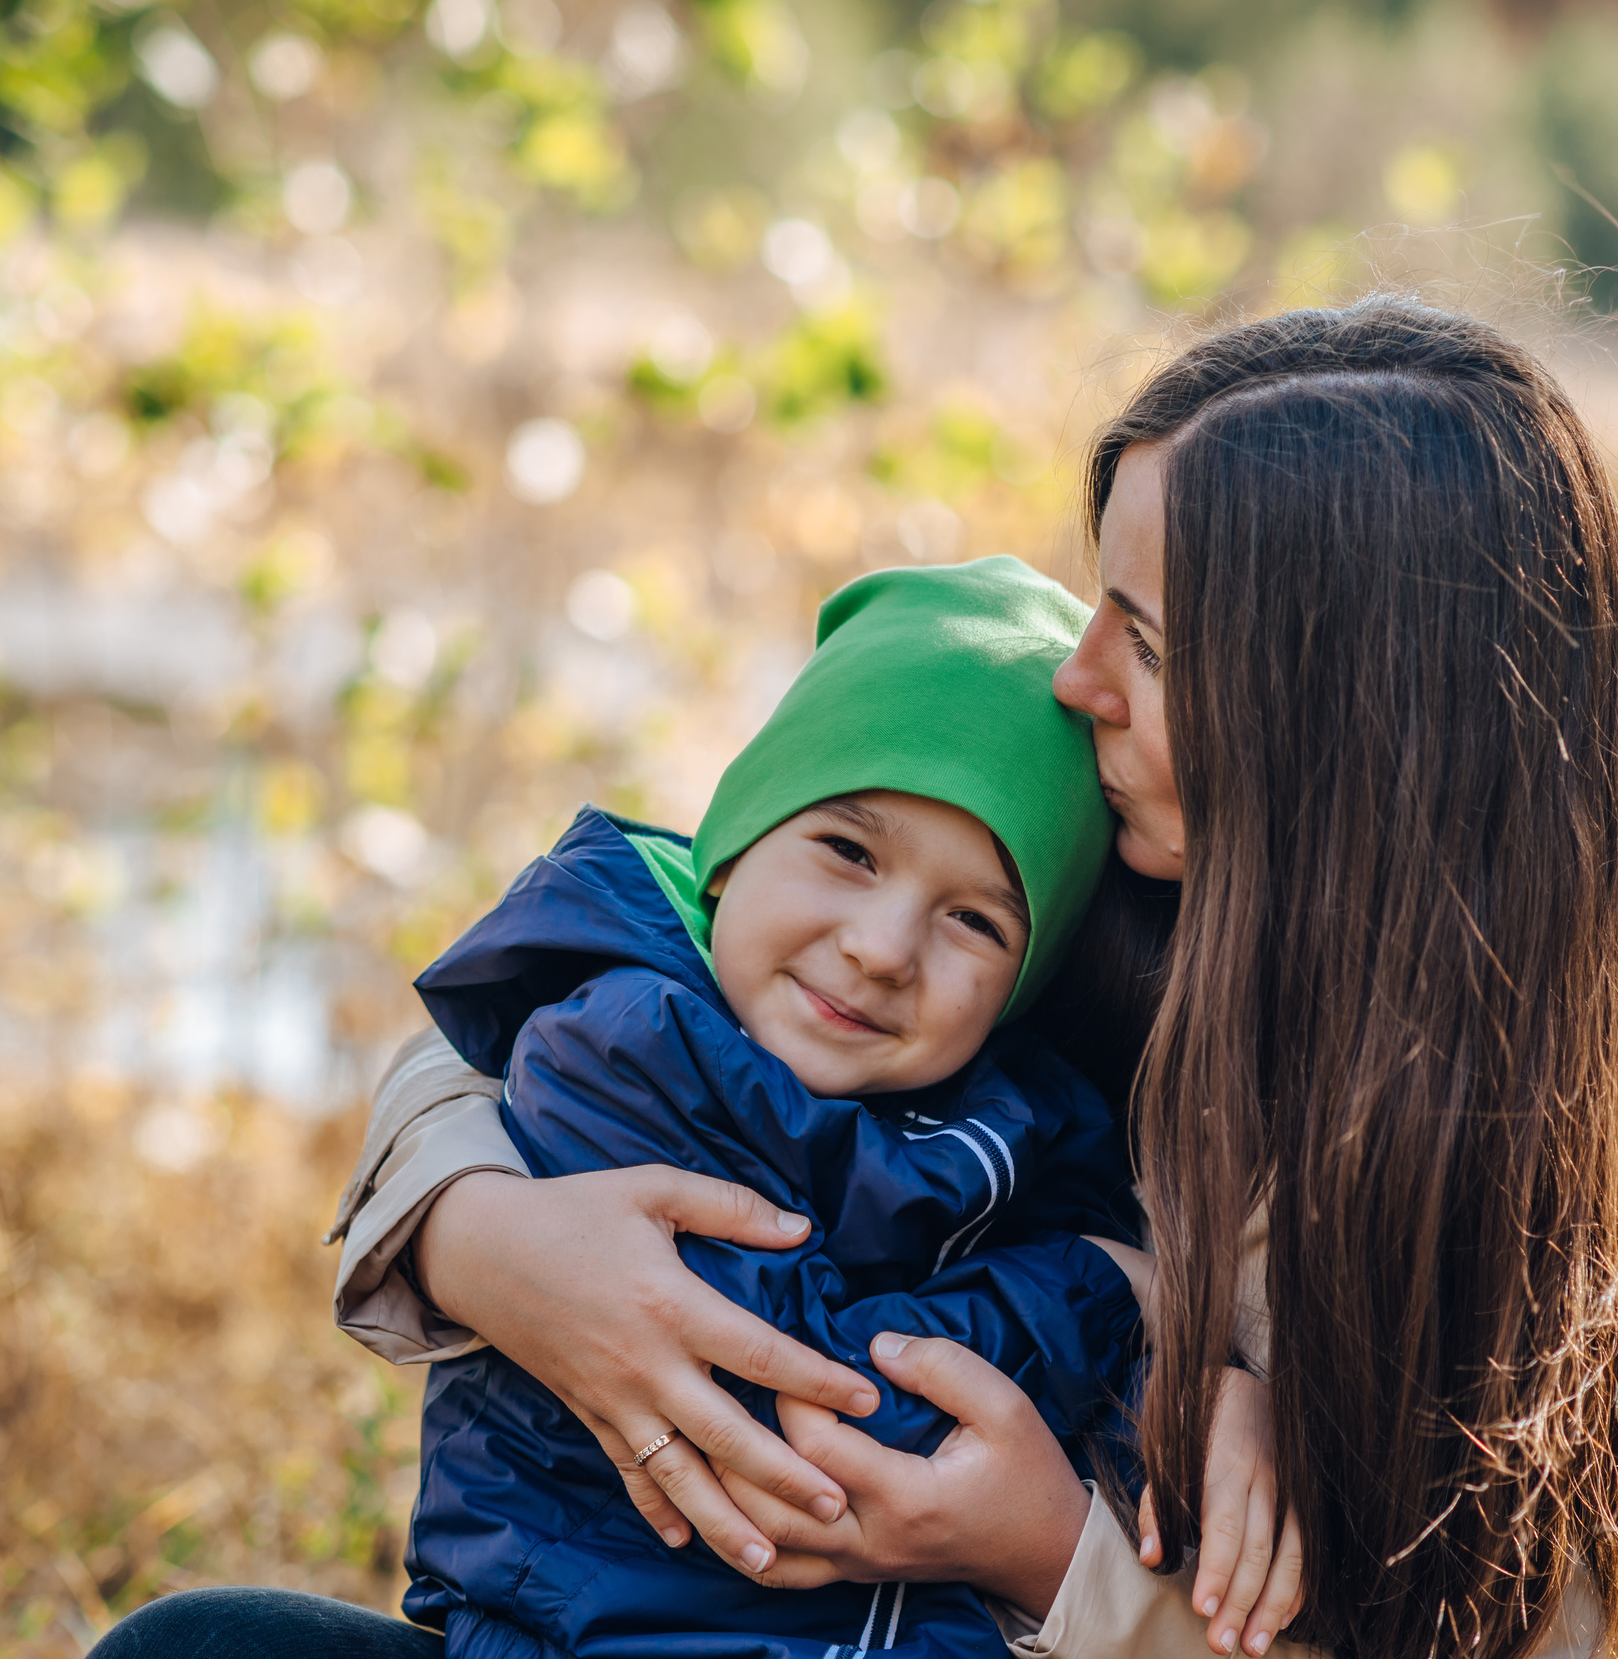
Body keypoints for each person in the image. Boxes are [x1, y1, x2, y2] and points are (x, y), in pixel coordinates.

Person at [94, 298, 1618, 1659]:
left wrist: (1049, 1553)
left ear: (1334, 713)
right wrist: (497, 1236)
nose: (1075, 682)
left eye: (1142, 636)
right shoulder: (1098, 898)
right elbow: (606, 981)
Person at [403, 558, 1153, 1659]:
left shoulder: (1024, 1109)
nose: (881, 946)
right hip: (609, 1629)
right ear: (735, 840)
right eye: (848, 851)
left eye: (976, 921)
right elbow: (806, 1408)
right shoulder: (625, 1042)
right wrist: (1109, 1287)